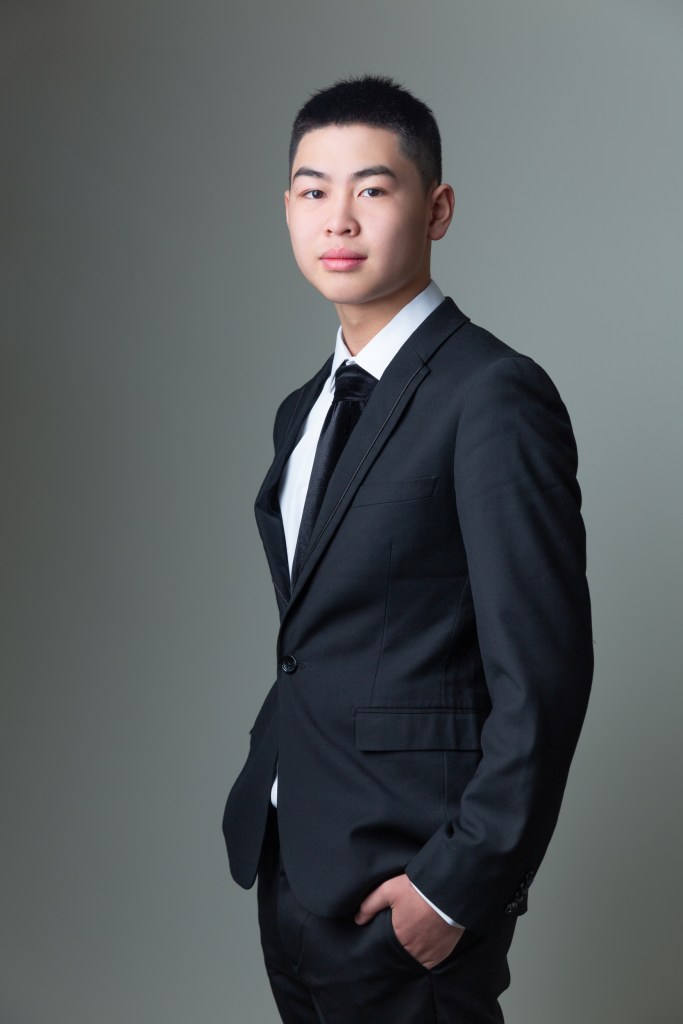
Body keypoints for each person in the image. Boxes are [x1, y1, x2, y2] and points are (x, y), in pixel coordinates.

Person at [223, 75, 593, 1023]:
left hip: (411, 879)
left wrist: (457, 886)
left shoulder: (492, 394)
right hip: (293, 862)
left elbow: (543, 674)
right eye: (313, 191)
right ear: (286, 209)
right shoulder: (301, 411)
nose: (338, 218)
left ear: (436, 210)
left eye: (372, 189)